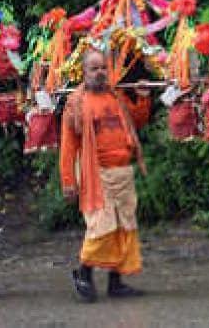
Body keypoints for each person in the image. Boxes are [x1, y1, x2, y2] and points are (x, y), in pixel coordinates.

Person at [60, 49, 152, 302]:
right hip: (95, 174)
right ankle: (83, 273)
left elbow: (137, 121)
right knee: (101, 227)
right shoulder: (77, 103)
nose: (100, 72)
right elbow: (68, 146)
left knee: (124, 226)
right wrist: (68, 180)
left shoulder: (117, 96)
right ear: (84, 72)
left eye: (103, 68)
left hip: (122, 172)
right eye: (94, 68)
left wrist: (143, 99)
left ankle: (116, 282)